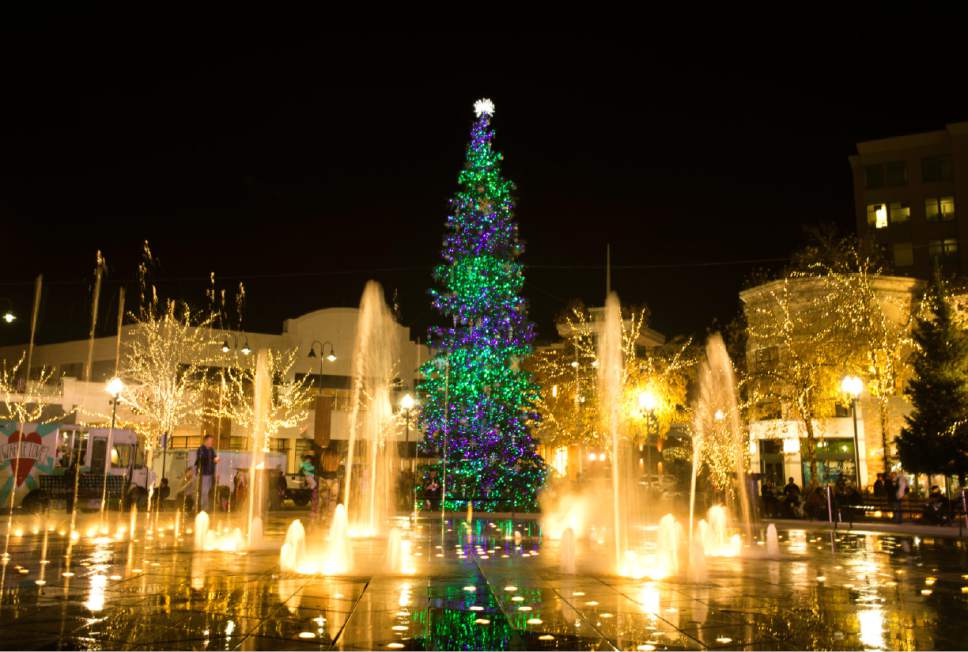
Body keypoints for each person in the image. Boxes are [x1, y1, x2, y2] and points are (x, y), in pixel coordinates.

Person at [194, 434, 219, 513]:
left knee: (207, 491)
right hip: (203, 474)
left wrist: (216, 460)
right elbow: (202, 460)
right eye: (210, 441)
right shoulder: (201, 450)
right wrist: (213, 460)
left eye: (212, 441)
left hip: (210, 474)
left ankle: (205, 507)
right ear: (206, 441)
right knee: (204, 491)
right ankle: (203, 508)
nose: (211, 442)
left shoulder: (211, 450)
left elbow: (214, 459)